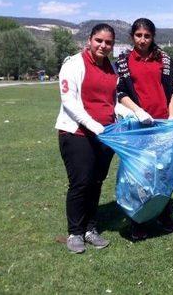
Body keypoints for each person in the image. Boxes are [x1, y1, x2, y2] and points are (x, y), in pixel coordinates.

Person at [55, 23, 118, 254]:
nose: (103, 45)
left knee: (96, 182)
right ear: (90, 40)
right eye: (99, 40)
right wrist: (93, 125)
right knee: (81, 183)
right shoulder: (74, 64)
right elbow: (69, 102)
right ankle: (75, 232)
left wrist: (128, 117)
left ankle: (91, 229)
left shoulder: (110, 68)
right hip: (78, 134)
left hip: (105, 135)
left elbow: (113, 101)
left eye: (108, 42)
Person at [115, 17, 173, 240]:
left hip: (161, 126)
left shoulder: (165, 59)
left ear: (153, 37)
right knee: (137, 175)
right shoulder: (123, 60)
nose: (142, 40)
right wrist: (138, 111)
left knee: (162, 173)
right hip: (138, 127)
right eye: (139, 35)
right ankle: (137, 219)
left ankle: (162, 214)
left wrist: (170, 116)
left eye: (147, 36)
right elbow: (120, 92)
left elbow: (170, 89)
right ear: (133, 36)